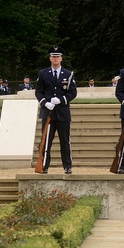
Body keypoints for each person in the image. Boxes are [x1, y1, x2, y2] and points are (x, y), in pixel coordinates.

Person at [36, 46, 78, 174]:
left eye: (57, 56)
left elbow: (72, 93)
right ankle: (44, 165)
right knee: (46, 141)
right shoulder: (43, 73)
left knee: (65, 141)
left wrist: (61, 100)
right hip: (48, 112)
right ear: (50, 58)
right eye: (53, 56)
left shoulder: (68, 74)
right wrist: (45, 103)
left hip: (63, 112)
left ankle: (67, 166)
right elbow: (39, 92)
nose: (55, 58)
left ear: (61, 58)